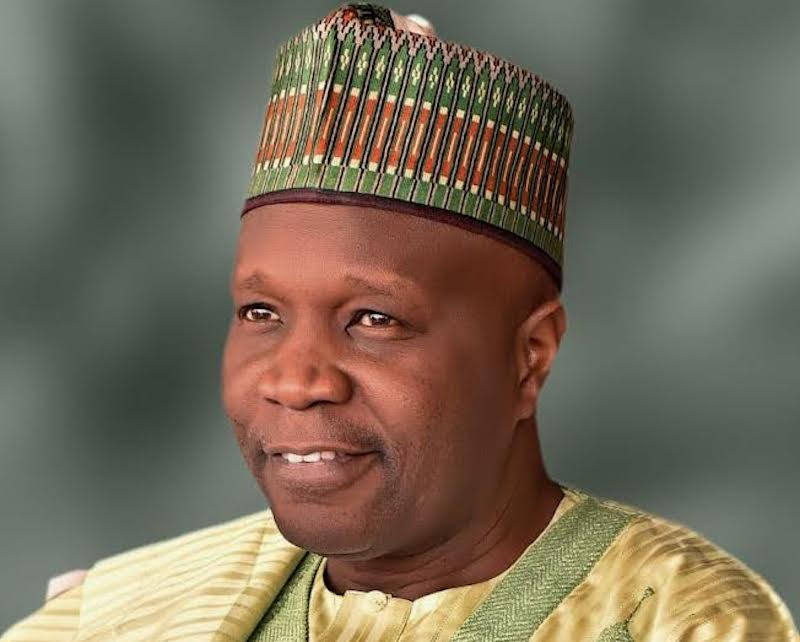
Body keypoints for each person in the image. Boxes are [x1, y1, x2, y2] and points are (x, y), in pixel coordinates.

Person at [2, 4, 797, 641]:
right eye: (261, 312)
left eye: (373, 319)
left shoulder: (682, 619)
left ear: (530, 355)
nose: (294, 380)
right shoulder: (120, 615)